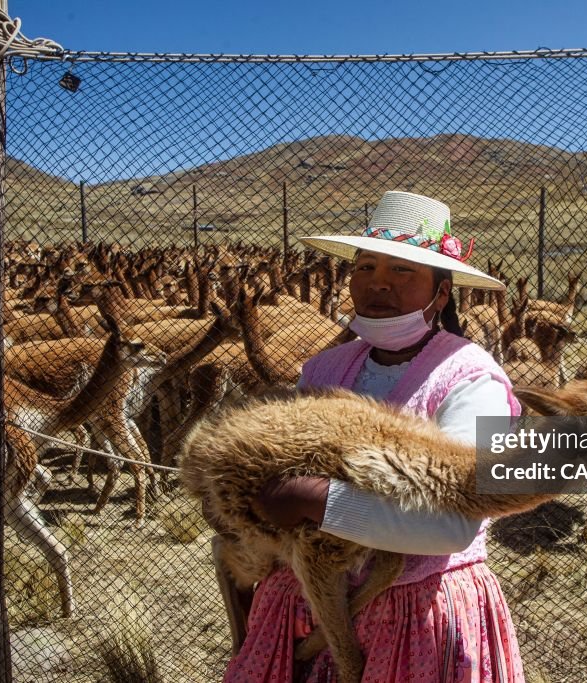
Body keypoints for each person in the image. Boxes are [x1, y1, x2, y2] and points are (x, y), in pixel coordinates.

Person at [223, 190, 526, 682]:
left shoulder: (471, 380)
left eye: (402, 271)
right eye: (365, 267)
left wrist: (318, 501)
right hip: (305, 603)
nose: (377, 284)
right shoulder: (325, 369)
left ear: (441, 292)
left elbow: (455, 524)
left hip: (414, 618)